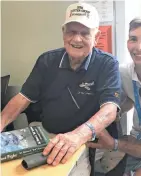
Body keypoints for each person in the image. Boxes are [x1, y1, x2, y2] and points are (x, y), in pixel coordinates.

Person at [1, 2, 121, 175]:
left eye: (84, 33)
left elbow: (110, 110)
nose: (76, 39)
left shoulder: (107, 64)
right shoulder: (46, 60)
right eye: (71, 31)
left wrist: (77, 137)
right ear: (63, 33)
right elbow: (22, 98)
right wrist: (1, 122)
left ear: (96, 37)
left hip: (81, 141)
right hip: (45, 135)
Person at [87, 18, 141, 176]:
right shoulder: (124, 72)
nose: (138, 47)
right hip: (135, 138)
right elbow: (130, 99)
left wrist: (115, 143)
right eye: (133, 39)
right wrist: (114, 114)